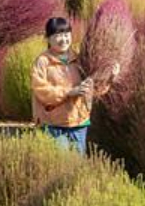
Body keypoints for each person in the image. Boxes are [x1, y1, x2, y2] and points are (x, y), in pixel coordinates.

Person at [30, 17, 103, 155]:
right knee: (59, 161)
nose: (63, 39)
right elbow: (40, 90)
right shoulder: (42, 62)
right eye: (58, 35)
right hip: (53, 122)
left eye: (66, 34)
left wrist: (109, 75)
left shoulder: (79, 59)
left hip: (78, 121)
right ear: (48, 38)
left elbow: (95, 88)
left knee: (76, 163)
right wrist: (68, 92)